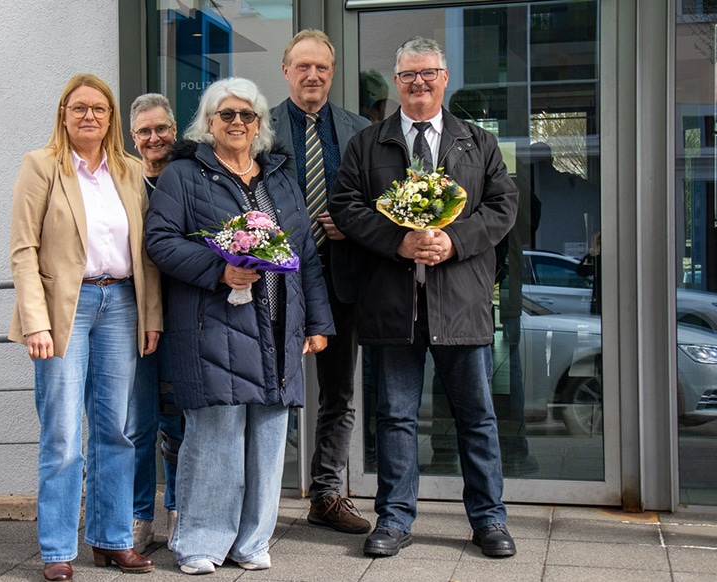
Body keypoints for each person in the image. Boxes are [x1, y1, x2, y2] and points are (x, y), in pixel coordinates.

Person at [329, 37, 520, 559]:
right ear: (396, 82)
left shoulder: (477, 142)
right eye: (409, 75)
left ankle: (489, 520)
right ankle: (394, 519)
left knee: (476, 416)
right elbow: (346, 206)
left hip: (460, 302)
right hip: (393, 304)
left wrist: (453, 241)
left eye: (428, 73)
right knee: (395, 417)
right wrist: (398, 241)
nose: (419, 83)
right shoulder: (367, 144)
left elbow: (503, 207)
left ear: (444, 78)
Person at [144, 77, 335, 575]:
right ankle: (201, 543)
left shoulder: (279, 177)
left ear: (259, 124)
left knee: (268, 440)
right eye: (226, 114)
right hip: (215, 326)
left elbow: (305, 254)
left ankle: (252, 541)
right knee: (216, 437)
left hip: (278, 325)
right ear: (209, 123)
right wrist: (219, 269)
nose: (237, 123)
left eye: (246, 115)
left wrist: (317, 321)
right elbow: (160, 241)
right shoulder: (185, 175)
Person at [9, 73, 163, 581]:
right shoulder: (41, 166)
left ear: (111, 117)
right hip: (64, 312)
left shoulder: (129, 170)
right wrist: (36, 322)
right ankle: (57, 548)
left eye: (99, 108)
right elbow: (24, 250)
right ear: (64, 114)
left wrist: (151, 316)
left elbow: (146, 252)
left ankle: (112, 539)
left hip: (121, 304)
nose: (89, 116)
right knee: (62, 434)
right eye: (79, 108)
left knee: (117, 430)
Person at [270, 28, 372, 535]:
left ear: (332, 73)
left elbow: (379, 199)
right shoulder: (260, 127)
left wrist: (353, 225)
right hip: (276, 281)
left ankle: (326, 494)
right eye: (303, 66)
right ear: (286, 70)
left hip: (341, 278)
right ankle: (259, 497)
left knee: (339, 392)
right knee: (267, 388)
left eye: (322, 68)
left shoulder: (360, 130)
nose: (312, 75)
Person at [126, 93, 181, 553]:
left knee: (178, 424)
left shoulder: (189, 178)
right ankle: (140, 518)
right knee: (138, 425)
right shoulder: (123, 182)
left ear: (174, 131)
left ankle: (179, 513)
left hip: (184, 318)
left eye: (161, 128)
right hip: (136, 318)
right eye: (145, 131)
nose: (154, 137)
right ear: (133, 137)